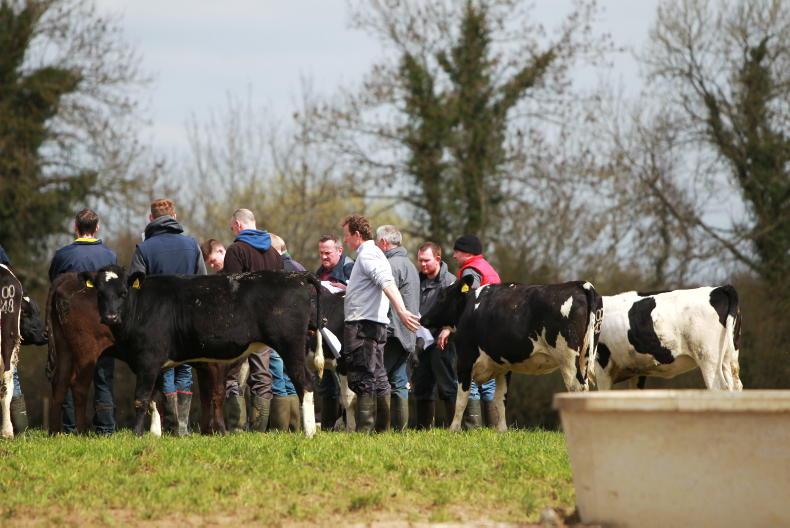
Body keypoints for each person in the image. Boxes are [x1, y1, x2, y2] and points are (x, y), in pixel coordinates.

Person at [129, 199, 206, 435]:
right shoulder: (192, 245)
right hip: (188, 319)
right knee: (184, 369)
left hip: (157, 322)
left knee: (164, 371)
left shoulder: (144, 249)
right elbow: (203, 281)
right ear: (174, 215)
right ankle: (182, 426)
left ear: (151, 220)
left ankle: (170, 425)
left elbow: (134, 288)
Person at [341, 214, 420, 433]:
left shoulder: (368, 255)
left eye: (346, 236)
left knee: (363, 375)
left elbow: (386, 282)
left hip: (363, 326)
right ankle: (382, 431)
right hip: (369, 323)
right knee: (377, 375)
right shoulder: (372, 254)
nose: (345, 240)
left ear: (357, 235)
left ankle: (366, 430)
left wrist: (402, 311)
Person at [49, 209, 118, 434]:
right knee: (103, 374)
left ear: (75, 227)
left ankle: (69, 426)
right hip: (103, 324)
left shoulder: (62, 256)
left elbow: (55, 284)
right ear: (97, 228)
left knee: (69, 372)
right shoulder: (110, 256)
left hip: (72, 324)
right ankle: (106, 427)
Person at [222, 208, 283, 432]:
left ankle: (236, 428)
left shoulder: (236, 251)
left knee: (231, 373)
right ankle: (258, 430)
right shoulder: (275, 255)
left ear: (238, 225)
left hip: (240, 325)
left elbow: (231, 289)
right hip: (267, 325)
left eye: (232, 228)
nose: (232, 232)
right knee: (262, 375)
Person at [438, 234, 501, 428]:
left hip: (477, 333)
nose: (454, 256)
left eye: (457, 251)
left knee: (470, 377)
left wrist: (449, 327)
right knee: (490, 382)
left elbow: (466, 301)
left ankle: (473, 428)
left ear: (467, 252)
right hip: (494, 330)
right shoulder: (487, 267)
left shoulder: (471, 271)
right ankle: (494, 427)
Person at [412, 242, 463, 429]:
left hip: (443, 342)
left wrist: (448, 328)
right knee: (422, 387)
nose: (422, 265)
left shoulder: (451, 282)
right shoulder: (416, 281)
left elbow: (460, 312)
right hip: (420, 342)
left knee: (448, 387)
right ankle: (423, 429)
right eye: (420, 261)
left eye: (426, 260)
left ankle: (454, 427)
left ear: (438, 259)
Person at [375, 225, 420, 431]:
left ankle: (381, 429)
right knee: (399, 381)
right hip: (407, 333)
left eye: (377, 243)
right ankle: (399, 431)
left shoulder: (391, 265)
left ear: (384, 242)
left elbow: (382, 295)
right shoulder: (409, 264)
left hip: (393, 332)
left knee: (379, 376)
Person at [314, 234, 354, 429]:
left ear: (339, 250)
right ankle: (328, 424)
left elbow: (364, 293)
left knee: (347, 381)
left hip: (345, 336)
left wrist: (347, 288)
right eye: (321, 253)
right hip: (323, 336)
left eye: (327, 252)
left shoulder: (351, 268)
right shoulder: (317, 274)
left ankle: (350, 421)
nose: (324, 257)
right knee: (325, 382)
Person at [267, 233, 303, 431]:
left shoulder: (276, 269)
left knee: (277, 376)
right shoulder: (299, 268)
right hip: (297, 332)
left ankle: (280, 428)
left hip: (278, 330)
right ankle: (294, 426)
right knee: (291, 376)